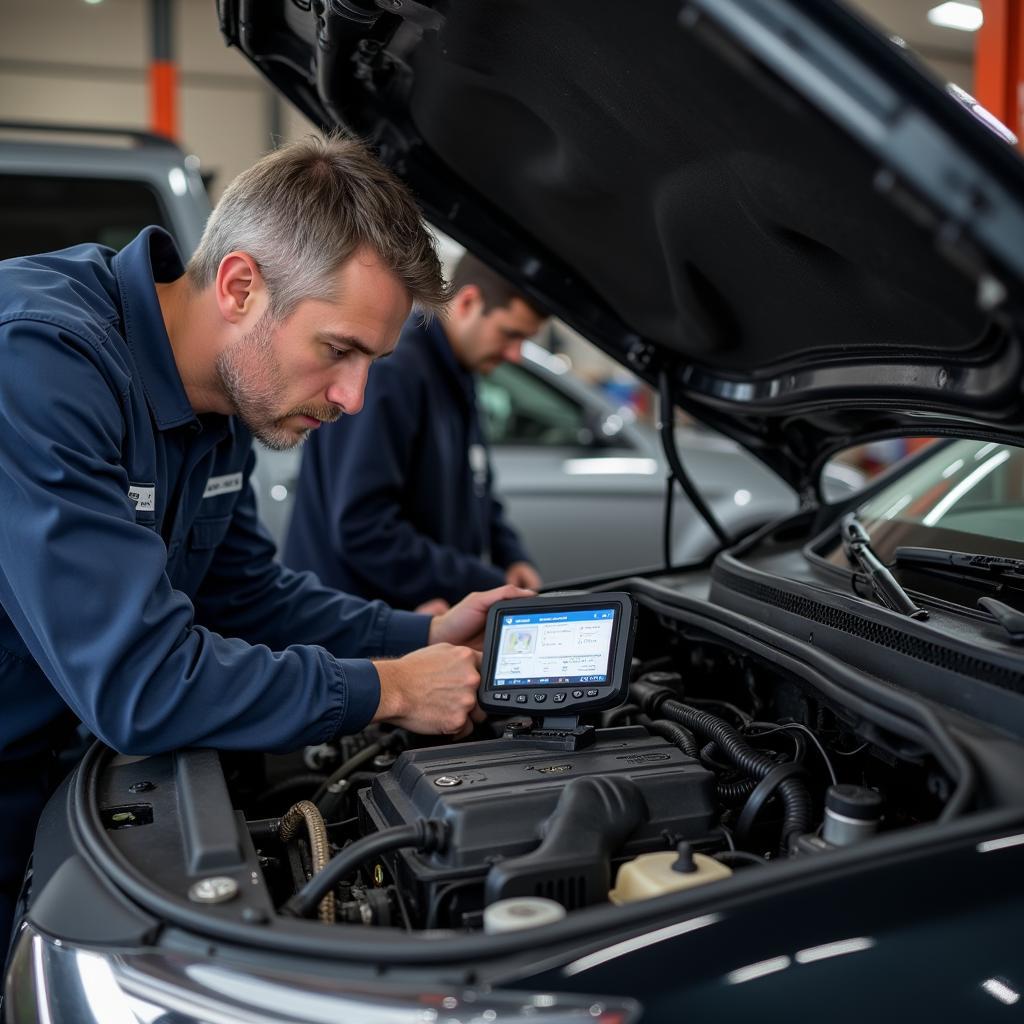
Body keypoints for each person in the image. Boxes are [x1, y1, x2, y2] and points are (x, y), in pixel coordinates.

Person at [0, 135, 530, 956]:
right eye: (339, 351)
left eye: (373, 363)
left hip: (51, 779)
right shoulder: (40, 360)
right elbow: (140, 684)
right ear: (241, 285)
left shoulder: (222, 404)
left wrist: (421, 634)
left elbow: (248, 594)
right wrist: (387, 689)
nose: (354, 398)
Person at [283, 253, 546, 611]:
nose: (515, 354)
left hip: (410, 619)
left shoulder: (459, 370)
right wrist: (484, 581)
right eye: (510, 334)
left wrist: (511, 556)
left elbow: (477, 484)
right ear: (468, 301)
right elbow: (364, 529)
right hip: (349, 629)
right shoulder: (394, 372)